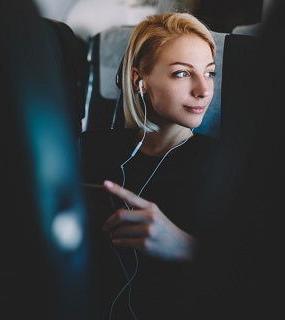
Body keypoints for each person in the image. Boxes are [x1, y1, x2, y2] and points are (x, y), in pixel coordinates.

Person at [79, 12, 218, 320]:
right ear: (139, 80)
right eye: (183, 74)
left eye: (209, 73)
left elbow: (264, 274)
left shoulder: (225, 165)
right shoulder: (90, 148)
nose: (203, 90)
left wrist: (186, 248)